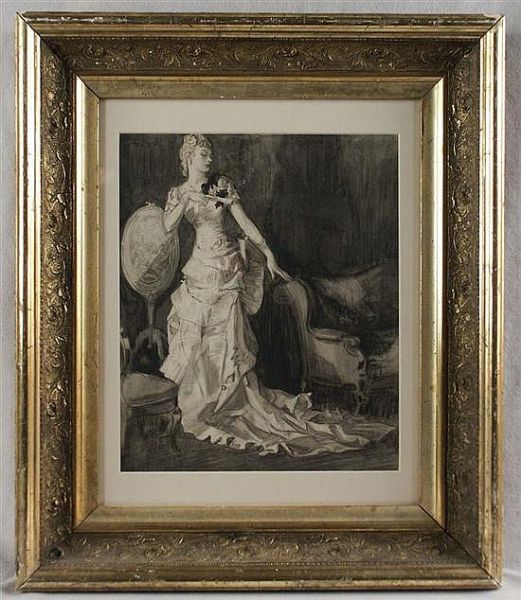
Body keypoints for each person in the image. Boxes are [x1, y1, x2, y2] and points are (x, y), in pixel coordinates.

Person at [159, 134, 380, 457]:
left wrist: (269, 254)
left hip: (227, 268)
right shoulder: (178, 193)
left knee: (229, 340)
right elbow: (167, 227)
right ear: (189, 158)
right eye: (204, 154)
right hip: (200, 269)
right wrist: (182, 200)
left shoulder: (221, 185)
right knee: (201, 341)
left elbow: (245, 223)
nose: (210, 159)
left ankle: (229, 400)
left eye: (210, 153)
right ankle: (203, 401)